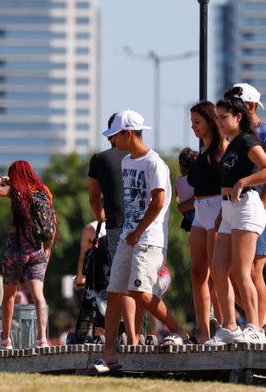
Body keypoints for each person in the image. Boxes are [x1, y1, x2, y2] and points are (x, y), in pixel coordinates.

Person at [91, 110, 189, 375]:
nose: (112, 141)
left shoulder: (154, 163)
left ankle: (180, 332)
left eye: (115, 136)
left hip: (150, 238)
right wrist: (129, 232)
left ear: (128, 133)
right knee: (114, 293)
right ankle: (108, 354)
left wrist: (138, 231)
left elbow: (158, 202)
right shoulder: (126, 163)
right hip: (128, 235)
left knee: (140, 293)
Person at [204, 97, 266, 346]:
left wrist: (243, 182)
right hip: (229, 210)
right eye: (217, 118)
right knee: (217, 268)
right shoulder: (231, 143)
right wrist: (220, 212)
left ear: (238, 116)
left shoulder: (247, 140)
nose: (220, 122)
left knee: (241, 270)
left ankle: (255, 327)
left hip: (247, 206)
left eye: (224, 117)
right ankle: (230, 327)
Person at [225, 83, 266, 338]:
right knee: (231, 272)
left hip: (264, 209)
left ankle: (256, 327)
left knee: (252, 271)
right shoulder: (235, 136)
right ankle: (263, 321)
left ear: (247, 106)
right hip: (240, 209)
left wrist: (260, 207)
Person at [0, 160, 56, 349]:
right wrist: (48, 247)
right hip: (38, 248)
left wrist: (5, 179)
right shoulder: (44, 191)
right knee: (39, 295)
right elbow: (50, 219)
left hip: (16, 247)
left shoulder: (14, 191)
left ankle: (5, 340)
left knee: (9, 295)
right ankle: (42, 340)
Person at [88, 114, 144, 343]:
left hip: (115, 227)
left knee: (119, 283)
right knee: (138, 282)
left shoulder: (99, 160)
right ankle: (135, 335)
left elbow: (93, 198)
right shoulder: (140, 157)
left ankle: (121, 336)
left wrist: (100, 216)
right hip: (142, 226)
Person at [186, 101, 229, 343]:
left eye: (197, 122)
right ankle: (203, 331)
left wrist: (223, 212)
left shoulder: (222, 146)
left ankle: (225, 325)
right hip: (199, 211)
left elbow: (230, 179)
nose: (193, 127)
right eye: (192, 122)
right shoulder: (202, 148)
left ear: (210, 121)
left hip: (217, 208)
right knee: (197, 274)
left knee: (218, 273)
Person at [75, 219, 106, 290]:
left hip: (102, 275)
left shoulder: (90, 228)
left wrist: (80, 280)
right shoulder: (128, 224)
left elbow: (83, 255)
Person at [175, 148, 197, 232]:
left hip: (186, 215)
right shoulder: (194, 179)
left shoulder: (178, 181)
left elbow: (177, 194)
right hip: (196, 212)